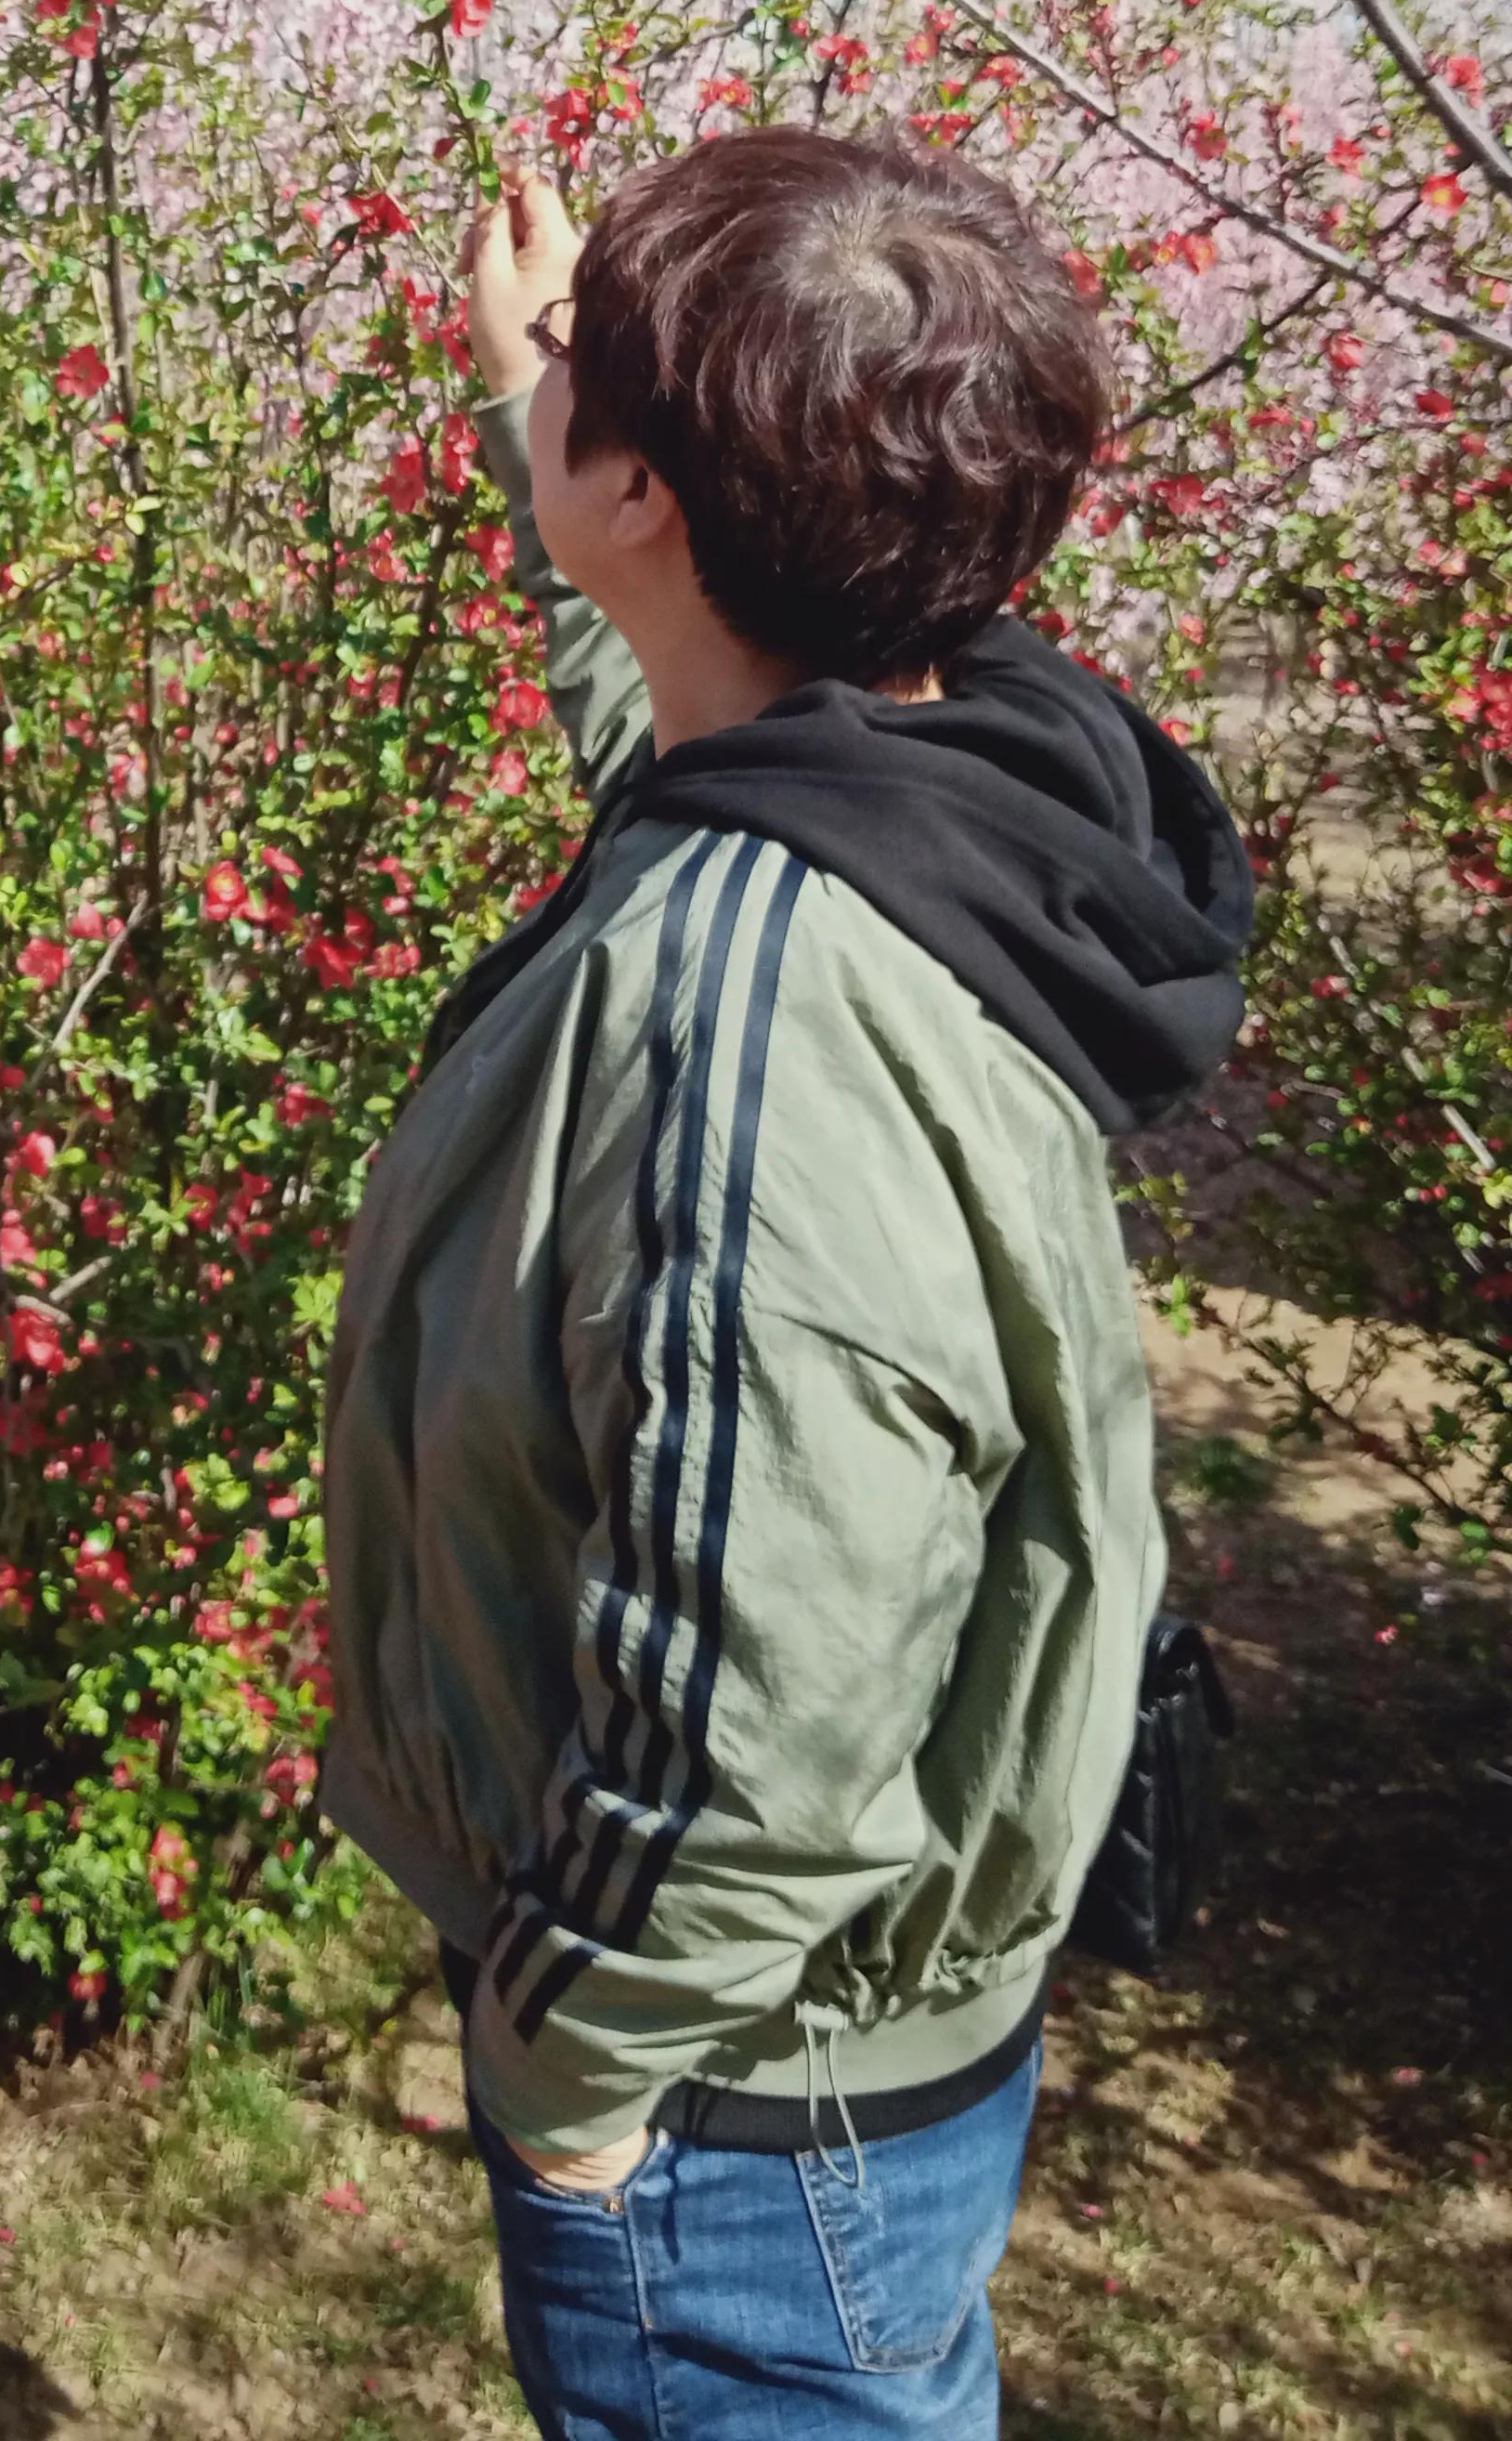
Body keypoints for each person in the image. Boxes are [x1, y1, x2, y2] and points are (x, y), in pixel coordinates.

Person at [322, 132, 1252, 2441]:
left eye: (592, 402)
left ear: (650, 491)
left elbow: (765, 1690)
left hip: (739, 2123)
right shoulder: (954, 779)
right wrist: (541, 398)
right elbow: (705, 757)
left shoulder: (761, 1017)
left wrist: (568, 2064)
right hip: (855, 2078)